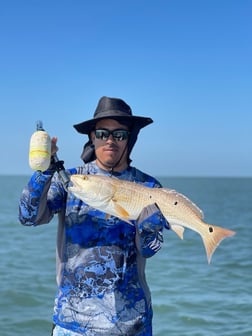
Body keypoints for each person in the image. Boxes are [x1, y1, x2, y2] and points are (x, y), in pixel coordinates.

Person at [19, 96, 169, 336]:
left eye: (119, 134)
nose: (110, 141)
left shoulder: (149, 187)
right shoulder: (72, 181)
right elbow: (28, 216)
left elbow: (150, 249)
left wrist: (148, 230)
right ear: (92, 137)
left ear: (129, 138)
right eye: (102, 133)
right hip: (73, 325)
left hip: (133, 325)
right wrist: (44, 171)